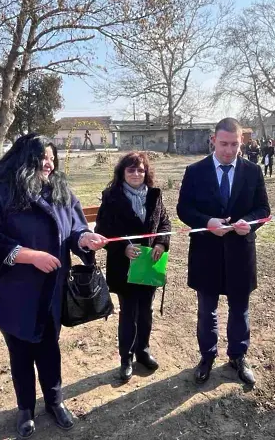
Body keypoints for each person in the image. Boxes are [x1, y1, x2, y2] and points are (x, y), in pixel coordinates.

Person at [0, 134, 107, 439]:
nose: (49, 164)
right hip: (14, 289)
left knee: (49, 348)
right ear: (24, 159)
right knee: (20, 351)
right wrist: (29, 256)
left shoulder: (60, 189)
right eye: (42, 158)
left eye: (52, 158)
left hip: (52, 287)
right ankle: (24, 409)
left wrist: (84, 239)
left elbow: (75, 227)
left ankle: (55, 401)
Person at [177, 118, 270, 386]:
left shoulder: (253, 171)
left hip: (240, 252)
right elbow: (184, 209)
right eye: (224, 144)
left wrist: (249, 223)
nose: (229, 150)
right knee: (207, 310)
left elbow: (263, 209)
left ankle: (238, 356)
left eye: (235, 144)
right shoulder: (195, 171)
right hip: (206, 253)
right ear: (213, 141)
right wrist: (207, 222)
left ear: (242, 142)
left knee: (240, 309)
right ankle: (206, 356)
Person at [94, 152, 171, 382]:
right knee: (129, 314)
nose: (136, 174)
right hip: (124, 268)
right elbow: (102, 230)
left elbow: (165, 223)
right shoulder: (111, 197)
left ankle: (143, 351)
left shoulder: (155, 196)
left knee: (146, 311)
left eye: (140, 170)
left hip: (149, 265)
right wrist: (123, 249)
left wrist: (161, 242)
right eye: (131, 170)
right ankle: (125, 358)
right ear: (122, 173)